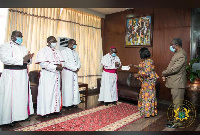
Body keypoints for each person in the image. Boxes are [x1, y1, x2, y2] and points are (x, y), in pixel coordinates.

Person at [0, 30, 34, 126]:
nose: (21, 38)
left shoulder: (23, 47)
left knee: (21, 95)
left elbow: (27, 62)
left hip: (22, 74)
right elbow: (5, 59)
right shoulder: (5, 46)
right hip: (12, 74)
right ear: (13, 37)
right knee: (11, 96)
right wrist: (22, 59)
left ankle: (22, 116)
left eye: (21, 36)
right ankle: (9, 119)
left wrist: (29, 58)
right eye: (19, 36)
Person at [35, 36, 64, 117]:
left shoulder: (57, 51)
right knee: (47, 93)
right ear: (48, 41)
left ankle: (55, 109)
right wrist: (55, 67)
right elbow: (43, 63)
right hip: (47, 75)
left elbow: (62, 61)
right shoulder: (43, 50)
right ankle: (46, 112)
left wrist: (61, 66)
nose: (54, 42)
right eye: (52, 41)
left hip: (56, 74)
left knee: (56, 92)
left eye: (55, 41)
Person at [162, 38, 187, 128]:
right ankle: (176, 120)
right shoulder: (178, 53)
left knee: (178, 105)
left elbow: (175, 69)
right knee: (177, 104)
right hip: (176, 82)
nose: (171, 46)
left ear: (176, 45)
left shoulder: (181, 55)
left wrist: (164, 73)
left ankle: (178, 123)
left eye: (171, 44)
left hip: (178, 83)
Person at [131, 47, 159, 118]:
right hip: (146, 82)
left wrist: (138, 74)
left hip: (149, 82)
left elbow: (147, 73)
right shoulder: (146, 61)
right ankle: (148, 111)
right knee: (147, 96)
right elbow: (142, 67)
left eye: (140, 53)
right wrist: (133, 66)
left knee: (148, 96)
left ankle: (148, 113)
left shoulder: (148, 62)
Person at [61, 39, 81, 109]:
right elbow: (65, 63)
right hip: (67, 72)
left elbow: (79, 61)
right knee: (68, 88)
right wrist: (74, 68)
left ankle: (74, 102)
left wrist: (78, 67)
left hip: (74, 72)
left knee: (74, 88)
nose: (74, 45)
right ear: (69, 44)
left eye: (75, 44)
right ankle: (67, 104)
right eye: (73, 44)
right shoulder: (64, 52)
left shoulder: (76, 53)